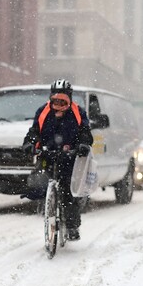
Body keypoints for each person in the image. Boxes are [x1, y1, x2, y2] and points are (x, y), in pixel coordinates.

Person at [22, 79, 93, 241]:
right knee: (38, 182)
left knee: (68, 189)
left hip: (69, 156)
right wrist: (29, 144)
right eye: (55, 101)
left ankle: (72, 225)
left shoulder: (78, 113)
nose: (58, 105)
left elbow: (85, 132)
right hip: (48, 153)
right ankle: (47, 206)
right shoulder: (43, 112)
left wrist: (82, 145)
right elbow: (34, 132)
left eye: (63, 101)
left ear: (69, 99)